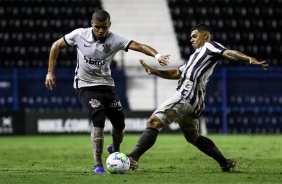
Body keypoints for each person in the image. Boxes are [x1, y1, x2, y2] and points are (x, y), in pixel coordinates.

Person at [113, 23, 268, 172]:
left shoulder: (210, 46)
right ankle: (225, 163)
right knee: (193, 137)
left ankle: (132, 158)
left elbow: (228, 52)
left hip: (186, 96)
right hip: (196, 102)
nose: (191, 39)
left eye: (194, 36)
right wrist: (155, 71)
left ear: (206, 36)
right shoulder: (195, 57)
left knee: (153, 121)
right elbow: (177, 73)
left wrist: (248, 59)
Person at [44, 10, 169, 174]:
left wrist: (157, 55)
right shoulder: (79, 35)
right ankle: (97, 164)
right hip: (85, 85)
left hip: (106, 85)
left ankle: (115, 150)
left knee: (120, 123)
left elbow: (139, 46)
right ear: (92, 24)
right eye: (97, 27)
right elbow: (56, 46)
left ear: (109, 25)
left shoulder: (116, 39)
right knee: (98, 116)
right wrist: (50, 72)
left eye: (104, 27)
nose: (101, 31)